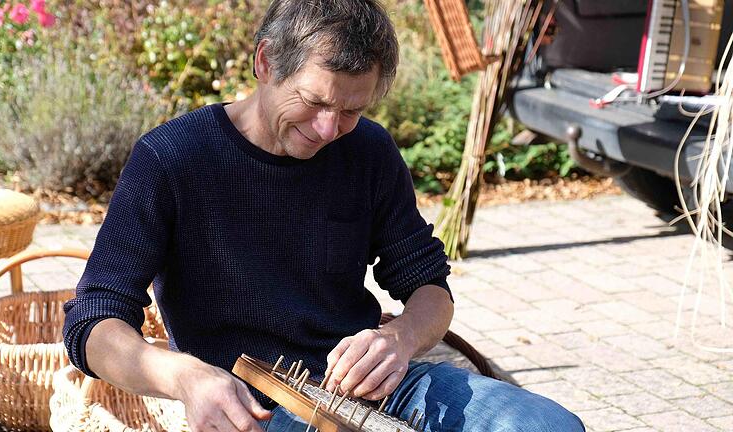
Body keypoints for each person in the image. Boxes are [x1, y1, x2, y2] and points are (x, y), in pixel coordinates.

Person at [63, 1, 585, 431]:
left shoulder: (369, 151)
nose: (329, 129)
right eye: (313, 101)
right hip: (254, 404)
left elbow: (430, 288)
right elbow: (91, 323)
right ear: (265, 62)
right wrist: (182, 376)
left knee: (551, 426)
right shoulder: (172, 159)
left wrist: (399, 339)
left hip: (374, 388)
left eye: (352, 110)